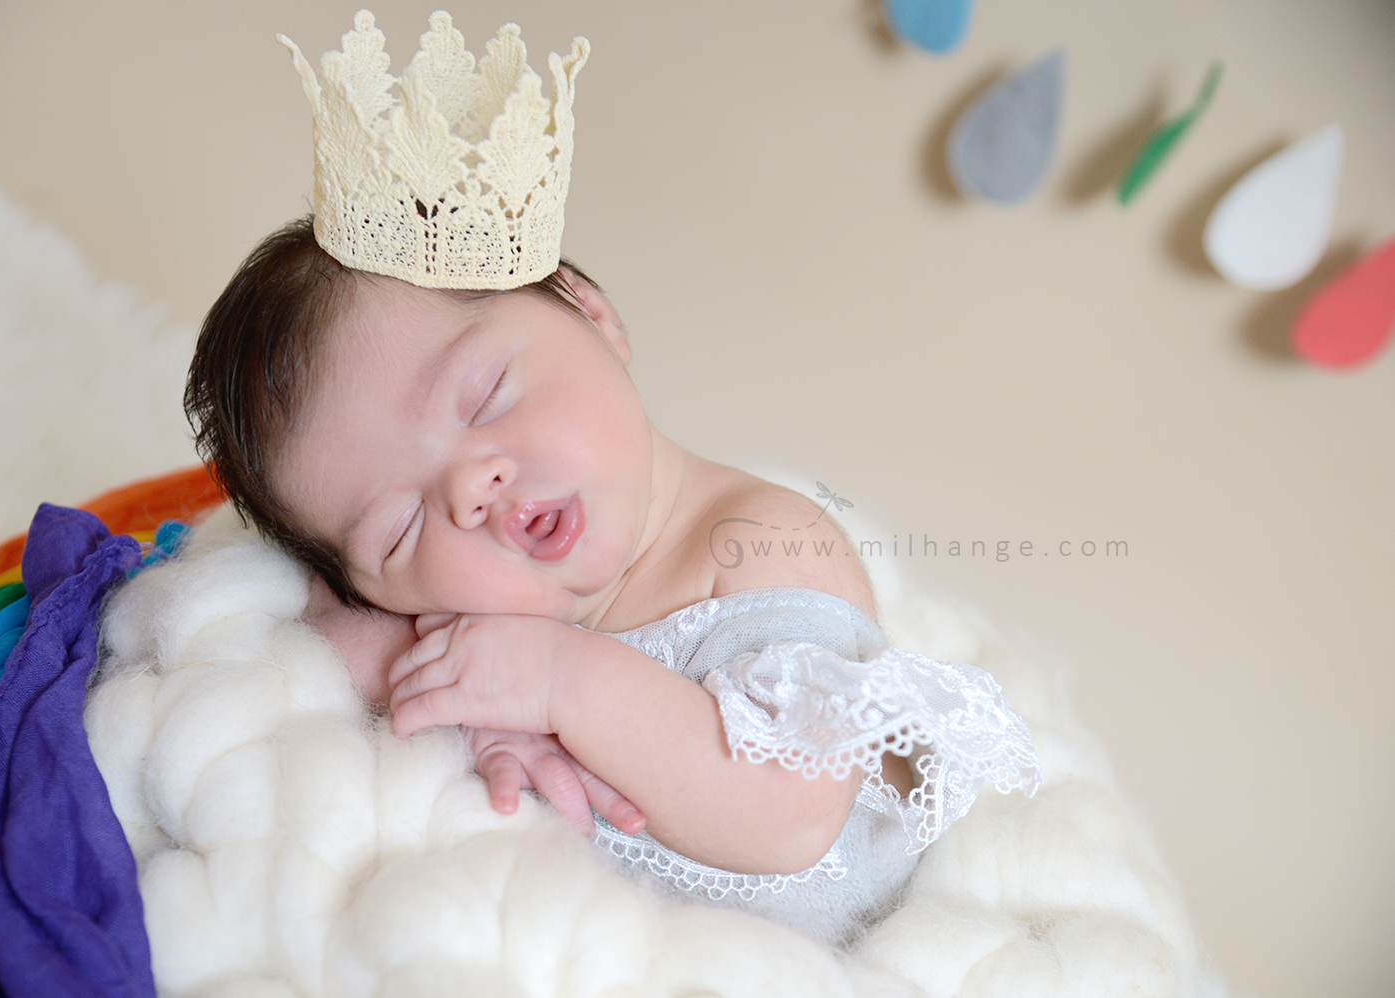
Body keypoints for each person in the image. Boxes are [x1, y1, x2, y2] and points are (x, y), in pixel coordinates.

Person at [183, 11, 1040, 942]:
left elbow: (791, 813)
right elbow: (325, 632)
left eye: (484, 395)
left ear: (593, 316)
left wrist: (558, 682)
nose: (470, 488)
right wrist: (471, 696)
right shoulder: (471, 616)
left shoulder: (760, 545)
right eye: (398, 529)